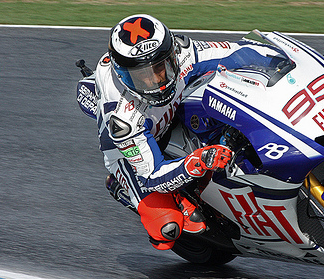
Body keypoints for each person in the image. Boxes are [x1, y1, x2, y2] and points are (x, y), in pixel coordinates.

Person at [94, 14, 236, 250]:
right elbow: (153, 176)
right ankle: (122, 188)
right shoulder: (122, 119)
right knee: (167, 229)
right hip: (131, 153)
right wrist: (197, 161)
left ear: (171, 54)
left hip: (168, 114)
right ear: (122, 75)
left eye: (161, 67)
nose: (155, 81)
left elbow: (235, 52)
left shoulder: (182, 51)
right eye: (141, 76)